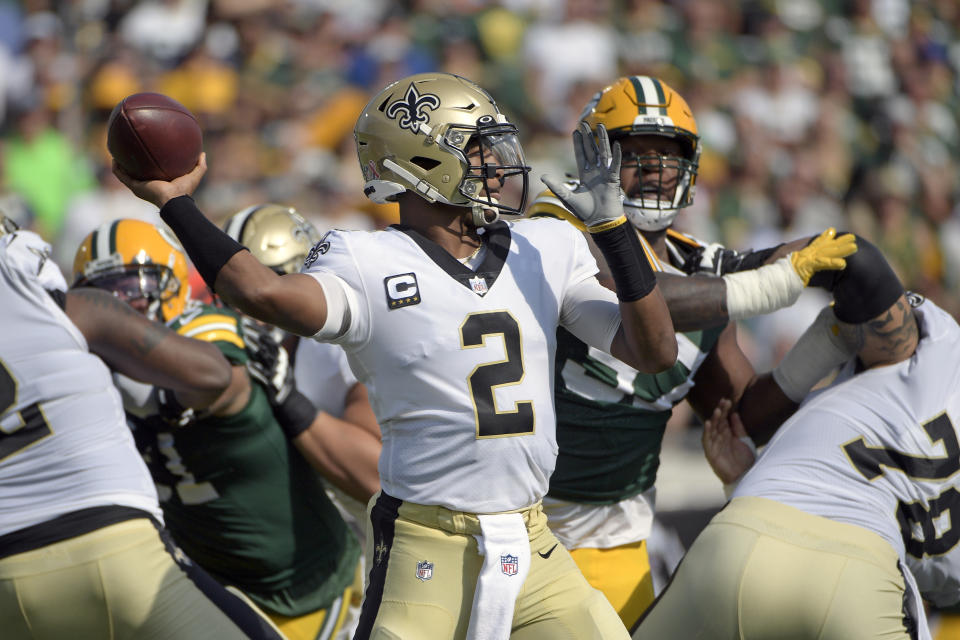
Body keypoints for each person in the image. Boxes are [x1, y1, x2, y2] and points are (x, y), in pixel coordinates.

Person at [113, 71, 681, 639]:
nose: (498, 165)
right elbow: (260, 292)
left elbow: (654, 351)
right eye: (478, 150)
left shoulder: (544, 246)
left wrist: (614, 231)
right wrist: (177, 204)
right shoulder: (365, 259)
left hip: (535, 540)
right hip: (427, 545)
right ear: (426, 162)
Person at [527, 74, 856, 627]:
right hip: (521, 527)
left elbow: (739, 412)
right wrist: (771, 283)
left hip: (617, 542)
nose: (654, 168)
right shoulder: (559, 224)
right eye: (634, 153)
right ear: (595, 156)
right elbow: (634, 290)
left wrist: (830, 339)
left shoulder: (701, 268)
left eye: (667, 154)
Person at [634, 239, 951, 639]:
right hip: (854, 577)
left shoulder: (940, 344)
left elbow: (857, 260)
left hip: (738, 537)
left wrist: (740, 269)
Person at [72, 218, 362, 640]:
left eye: (132, 288)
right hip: (210, 579)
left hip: (304, 587)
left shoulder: (202, 329)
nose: (118, 303)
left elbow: (219, 379)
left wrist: (158, 401)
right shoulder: (87, 360)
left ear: (172, 283)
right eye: (102, 294)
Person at [0, 215, 284, 640]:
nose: (124, 298)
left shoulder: (197, 321)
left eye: (134, 285)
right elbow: (209, 375)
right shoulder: (78, 313)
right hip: (110, 541)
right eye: (110, 288)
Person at [224, 202, 382, 640]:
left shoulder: (336, 344)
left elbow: (378, 475)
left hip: (378, 552)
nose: (248, 302)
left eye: (263, 285)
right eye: (232, 291)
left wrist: (288, 400)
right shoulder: (234, 346)